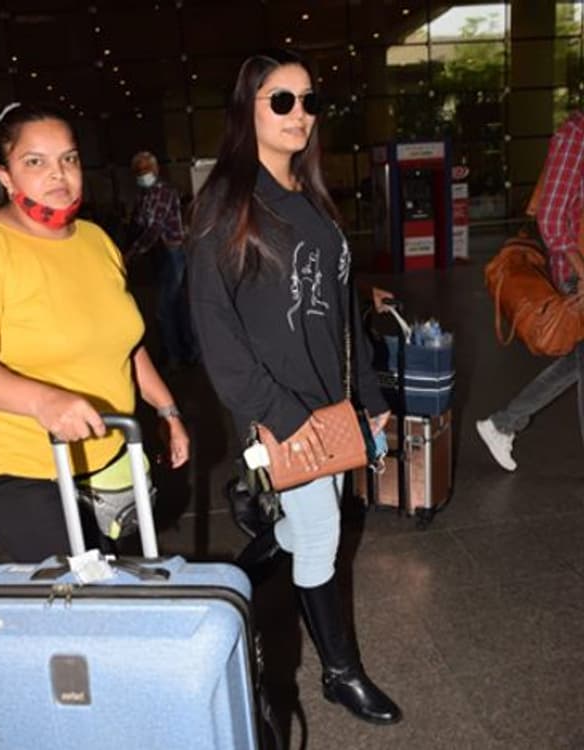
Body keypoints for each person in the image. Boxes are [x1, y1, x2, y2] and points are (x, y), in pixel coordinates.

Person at [186, 50, 401, 725]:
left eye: (309, 100)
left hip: (330, 401)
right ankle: (341, 674)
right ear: (247, 108)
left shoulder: (310, 198)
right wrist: (276, 413)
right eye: (282, 100)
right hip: (279, 405)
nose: (299, 113)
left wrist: (369, 399)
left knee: (309, 522)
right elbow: (214, 328)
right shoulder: (228, 202)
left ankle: (237, 571)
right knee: (320, 534)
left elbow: (339, 311)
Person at [0, 103, 190, 563]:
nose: (58, 174)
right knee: (82, 590)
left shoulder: (96, 240)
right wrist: (45, 402)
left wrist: (167, 409)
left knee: (108, 580)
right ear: (5, 176)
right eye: (35, 162)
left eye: (68, 159)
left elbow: (123, 341)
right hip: (25, 467)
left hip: (107, 455)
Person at [477, 108, 584, 470]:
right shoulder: (576, 134)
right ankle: (502, 424)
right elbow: (551, 217)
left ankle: (502, 424)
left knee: (575, 363)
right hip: (576, 272)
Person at [127, 150, 198, 368]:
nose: (142, 174)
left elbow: (154, 229)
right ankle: (188, 352)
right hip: (160, 253)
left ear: (155, 169)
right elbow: (139, 222)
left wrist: (131, 253)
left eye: (145, 169)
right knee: (177, 306)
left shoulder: (165, 193)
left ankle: (175, 356)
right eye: (138, 171)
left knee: (165, 309)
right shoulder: (145, 195)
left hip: (174, 252)